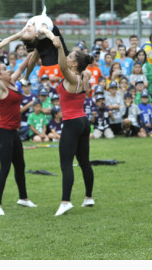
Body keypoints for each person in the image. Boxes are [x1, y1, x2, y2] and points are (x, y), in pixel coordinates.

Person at [0, 48, 36, 216]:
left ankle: (23, 198)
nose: (8, 70)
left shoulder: (11, 81)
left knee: (20, 166)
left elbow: (22, 66)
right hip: (3, 132)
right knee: (5, 168)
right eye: (4, 69)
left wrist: (32, 52)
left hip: (13, 132)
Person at [51, 37, 95, 216]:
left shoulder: (72, 77)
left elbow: (62, 67)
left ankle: (65, 201)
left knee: (66, 163)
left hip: (72, 123)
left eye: (70, 57)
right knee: (84, 162)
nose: (66, 58)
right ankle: (88, 197)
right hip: (83, 122)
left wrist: (60, 47)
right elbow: (87, 73)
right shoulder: (84, 75)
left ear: (75, 63)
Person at [0, 7, 69, 84]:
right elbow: (47, 32)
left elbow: (7, 40)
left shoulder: (26, 30)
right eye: (28, 32)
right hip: (49, 33)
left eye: (27, 31)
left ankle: (26, 78)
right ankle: (26, 78)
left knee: (64, 55)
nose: (27, 28)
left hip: (50, 33)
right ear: (36, 34)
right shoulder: (41, 29)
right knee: (33, 58)